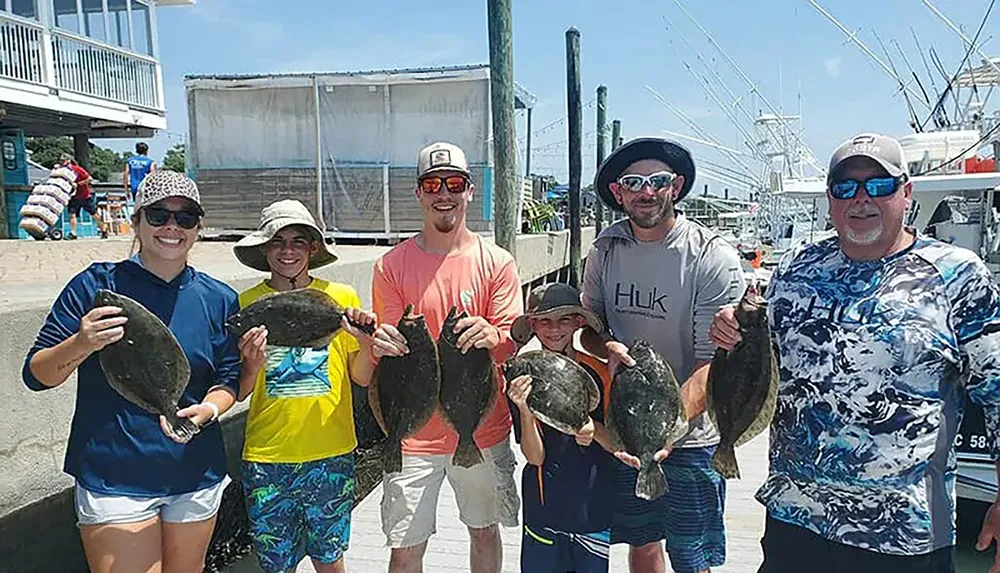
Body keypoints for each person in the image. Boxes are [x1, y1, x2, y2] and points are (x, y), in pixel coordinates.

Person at [708, 132, 1000, 573]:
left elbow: (995, 388)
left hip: (904, 533)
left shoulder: (958, 274)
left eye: (878, 186)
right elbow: (758, 360)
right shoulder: (795, 268)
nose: (861, 198)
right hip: (795, 519)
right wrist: (731, 328)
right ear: (831, 199)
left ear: (906, 193)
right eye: (846, 187)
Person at [21, 170, 241, 573]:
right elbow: (37, 375)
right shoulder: (95, 287)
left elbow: (228, 379)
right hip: (115, 475)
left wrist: (207, 411)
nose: (172, 227)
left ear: (198, 228)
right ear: (137, 221)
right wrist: (82, 342)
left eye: (185, 218)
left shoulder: (220, 298)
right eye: (158, 215)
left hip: (195, 471)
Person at [579, 137, 746, 573]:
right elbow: (589, 330)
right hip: (629, 428)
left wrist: (670, 431)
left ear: (677, 186)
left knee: (692, 557)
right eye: (633, 182)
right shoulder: (605, 249)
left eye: (657, 181)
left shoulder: (712, 255)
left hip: (692, 437)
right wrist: (607, 347)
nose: (645, 191)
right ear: (618, 193)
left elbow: (713, 362)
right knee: (642, 542)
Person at [369, 141, 522, 573]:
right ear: (418, 193)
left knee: (483, 530)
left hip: (482, 426)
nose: (444, 193)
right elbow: (394, 346)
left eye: (454, 183)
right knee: (405, 547)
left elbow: (510, 341)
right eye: (432, 183)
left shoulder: (497, 262)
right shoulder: (390, 266)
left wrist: (495, 334)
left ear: (470, 190)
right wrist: (381, 342)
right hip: (413, 436)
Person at [231, 199, 377, 573]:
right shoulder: (246, 303)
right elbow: (242, 390)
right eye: (277, 242)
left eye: (298, 241)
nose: (287, 250)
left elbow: (360, 376)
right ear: (265, 249)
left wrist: (365, 343)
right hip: (267, 456)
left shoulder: (341, 299)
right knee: (276, 565)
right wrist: (249, 362)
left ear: (313, 249)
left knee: (330, 560)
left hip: (331, 451)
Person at [506, 282, 617, 573]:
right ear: (533, 325)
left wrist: (593, 429)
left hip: (592, 499)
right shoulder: (520, 375)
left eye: (564, 319)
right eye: (544, 320)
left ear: (579, 322)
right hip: (545, 502)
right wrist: (524, 409)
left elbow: (618, 444)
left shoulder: (599, 371)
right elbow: (534, 457)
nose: (554, 328)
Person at [62, 153, 108, 240]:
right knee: (72, 214)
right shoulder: (63, 171)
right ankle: (73, 233)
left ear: (69, 161)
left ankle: (103, 230)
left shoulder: (77, 169)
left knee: (94, 214)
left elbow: (89, 179)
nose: (63, 162)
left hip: (84, 196)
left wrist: (79, 184)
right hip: (74, 196)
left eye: (64, 161)